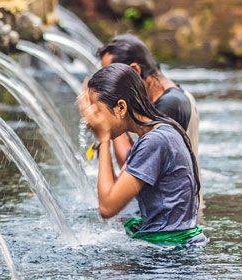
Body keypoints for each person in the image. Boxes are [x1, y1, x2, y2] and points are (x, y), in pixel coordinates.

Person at [77, 64, 206, 246]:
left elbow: (107, 207)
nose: (92, 119)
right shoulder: (158, 131)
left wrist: (104, 137)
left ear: (121, 107)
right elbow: (116, 191)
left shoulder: (155, 142)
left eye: (97, 111)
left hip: (168, 258)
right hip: (170, 248)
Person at [97, 34, 202, 213]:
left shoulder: (170, 106)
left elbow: (130, 164)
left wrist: (109, 121)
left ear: (135, 71)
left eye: (112, 79)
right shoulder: (168, 97)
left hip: (174, 220)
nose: (107, 87)